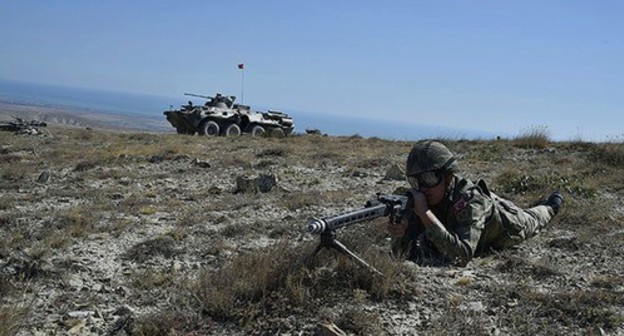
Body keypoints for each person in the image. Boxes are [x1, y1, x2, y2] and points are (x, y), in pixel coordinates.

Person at [388, 140, 564, 266]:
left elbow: (461, 256)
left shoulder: (470, 201)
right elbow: (401, 254)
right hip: (482, 205)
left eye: (429, 178)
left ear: (448, 176)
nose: (422, 187)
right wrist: (400, 234)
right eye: (415, 181)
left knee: (535, 217)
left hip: (508, 224)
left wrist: (425, 213)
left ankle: (552, 204)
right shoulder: (424, 198)